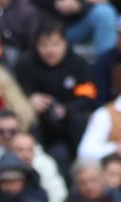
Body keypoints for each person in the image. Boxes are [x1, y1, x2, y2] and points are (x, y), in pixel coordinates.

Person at [15, 22, 97, 168]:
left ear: (65, 43)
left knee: (78, 119)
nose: (50, 51)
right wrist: (29, 99)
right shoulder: (24, 66)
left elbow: (88, 98)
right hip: (39, 121)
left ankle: (81, 165)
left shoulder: (79, 64)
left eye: (55, 45)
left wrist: (65, 109)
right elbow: (13, 93)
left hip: (70, 121)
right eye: (44, 46)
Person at [35, 0, 118, 58]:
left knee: (105, 13)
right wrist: (56, 3)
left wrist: (81, 4)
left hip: (84, 22)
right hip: (51, 27)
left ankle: (105, 68)